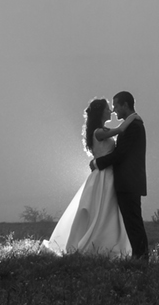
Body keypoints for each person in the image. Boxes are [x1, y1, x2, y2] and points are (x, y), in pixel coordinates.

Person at [44, 98, 137, 257]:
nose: (111, 111)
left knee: (106, 212)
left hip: (106, 173)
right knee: (102, 211)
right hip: (103, 176)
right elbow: (120, 129)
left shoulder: (101, 130)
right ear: (101, 113)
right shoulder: (99, 132)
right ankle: (96, 244)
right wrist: (133, 117)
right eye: (108, 109)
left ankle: (105, 243)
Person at [91, 91, 148, 260]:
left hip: (129, 181)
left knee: (133, 221)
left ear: (125, 105)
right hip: (127, 181)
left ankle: (141, 257)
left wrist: (97, 163)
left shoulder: (133, 126)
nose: (114, 110)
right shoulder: (131, 124)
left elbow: (121, 154)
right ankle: (139, 255)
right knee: (131, 221)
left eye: (116, 105)